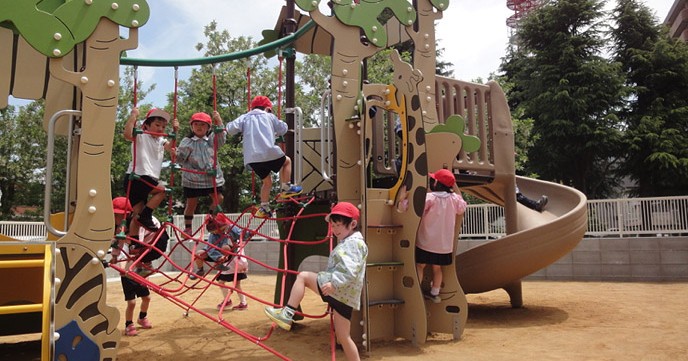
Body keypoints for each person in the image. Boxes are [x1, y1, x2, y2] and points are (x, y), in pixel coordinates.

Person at [264, 202, 367, 361]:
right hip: (346, 297)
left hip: (336, 288)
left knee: (303, 276)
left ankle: (288, 312)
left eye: (338, 225)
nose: (335, 230)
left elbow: (350, 270)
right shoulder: (352, 242)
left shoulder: (353, 244)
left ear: (352, 224)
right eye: (332, 226)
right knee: (344, 337)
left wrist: (334, 283)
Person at [225, 95, 302, 218]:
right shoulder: (269, 116)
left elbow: (230, 129)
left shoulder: (244, 117)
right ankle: (286, 186)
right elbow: (283, 128)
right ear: (267, 108)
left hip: (252, 159)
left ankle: (264, 207)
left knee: (267, 182)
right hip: (267, 152)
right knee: (286, 161)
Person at [123, 107, 178, 232]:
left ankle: (134, 242)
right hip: (139, 176)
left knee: (137, 215)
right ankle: (147, 215)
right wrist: (133, 116)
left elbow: (171, 147)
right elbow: (127, 134)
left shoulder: (160, 141)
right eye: (157, 125)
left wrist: (175, 131)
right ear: (146, 125)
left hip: (143, 179)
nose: (160, 129)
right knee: (162, 190)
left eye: (163, 127)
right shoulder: (141, 136)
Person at [416, 168, 467, 303]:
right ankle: (435, 292)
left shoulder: (430, 198)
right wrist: (455, 187)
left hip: (426, 241)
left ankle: (416, 291)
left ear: (436, 183)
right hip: (444, 245)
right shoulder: (454, 199)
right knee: (437, 268)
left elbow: (418, 210)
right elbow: (462, 207)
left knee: (420, 266)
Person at [176, 111, 226, 236]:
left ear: (208, 128)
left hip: (210, 177)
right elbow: (180, 159)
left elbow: (221, 138)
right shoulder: (187, 141)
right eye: (196, 124)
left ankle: (210, 218)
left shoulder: (211, 140)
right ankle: (188, 227)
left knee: (219, 198)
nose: (199, 127)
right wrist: (174, 154)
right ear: (191, 126)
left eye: (203, 125)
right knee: (191, 203)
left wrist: (218, 120)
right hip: (193, 177)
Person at [110, 197, 153, 336]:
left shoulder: (135, 225)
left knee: (146, 298)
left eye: (120, 215)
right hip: (127, 271)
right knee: (132, 302)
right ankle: (129, 325)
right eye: (115, 214)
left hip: (138, 268)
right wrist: (115, 257)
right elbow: (117, 244)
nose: (117, 217)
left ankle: (142, 317)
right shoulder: (119, 229)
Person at [190, 213, 241, 279]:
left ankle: (219, 263)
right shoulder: (213, 235)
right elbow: (210, 248)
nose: (215, 233)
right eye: (213, 232)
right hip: (213, 253)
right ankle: (200, 270)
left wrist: (249, 233)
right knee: (198, 254)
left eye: (216, 231)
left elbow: (241, 233)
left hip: (228, 253)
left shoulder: (232, 228)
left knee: (225, 247)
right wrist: (218, 257)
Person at [216, 243, 249, 311]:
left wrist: (244, 267)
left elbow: (241, 259)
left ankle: (239, 302)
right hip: (231, 268)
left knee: (233, 285)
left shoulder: (237, 249)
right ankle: (231, 301)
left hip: (234, 269)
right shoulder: (235, 245)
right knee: (224, 283)